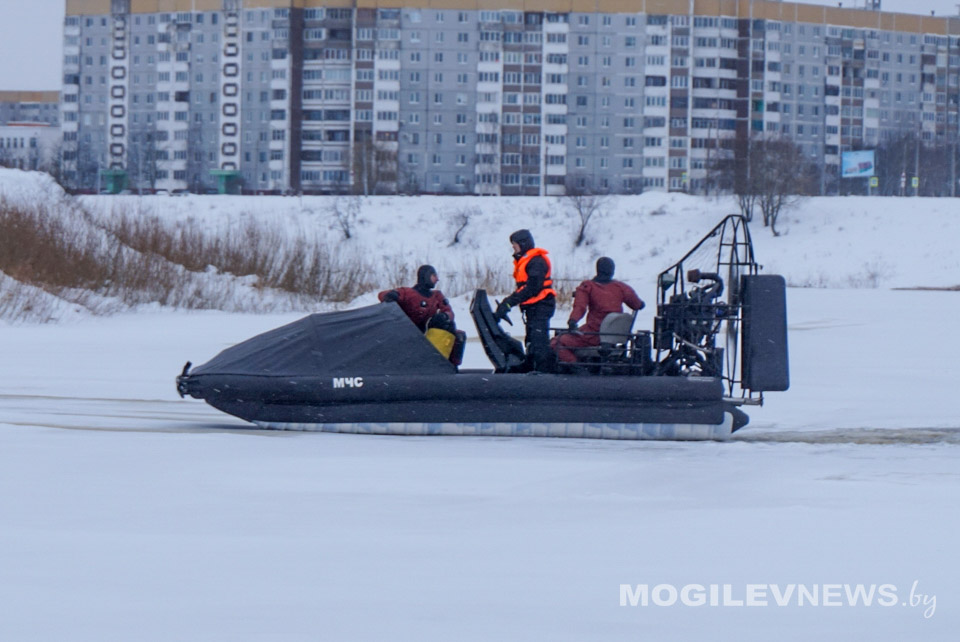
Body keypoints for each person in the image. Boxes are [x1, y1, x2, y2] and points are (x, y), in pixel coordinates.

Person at [551, 257, 645, 364]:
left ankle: (576, 367)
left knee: (556, 343)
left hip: (593, 334)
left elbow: (580, 307)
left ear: (597, 269)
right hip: (615, 336)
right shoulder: (621, 287)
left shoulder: (588, 286)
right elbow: (638, 305)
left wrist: (573, 321)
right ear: (612, 270)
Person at [494, 229, 557, 373]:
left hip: (542, 304)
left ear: (523, 243)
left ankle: (543, 371)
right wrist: (508, 303)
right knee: (531, 339)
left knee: (538, 340)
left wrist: (509, 302)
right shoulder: (526, 260)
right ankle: (531, 365)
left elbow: (532, 288)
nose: (513, 247)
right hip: (533, 306)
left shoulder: (537, 261)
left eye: (515, 244)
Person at [379, 265, 465, 365]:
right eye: (434, 276)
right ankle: (431, 363)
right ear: (426, 276)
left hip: (428, 334)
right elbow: (382, 295)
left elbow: (449, 312)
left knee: (457, 334)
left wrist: (444, 316)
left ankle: (447, 365)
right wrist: (392, 295)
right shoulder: (408, 293)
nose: (437, 279)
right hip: (408, 334)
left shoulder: (437, 295)